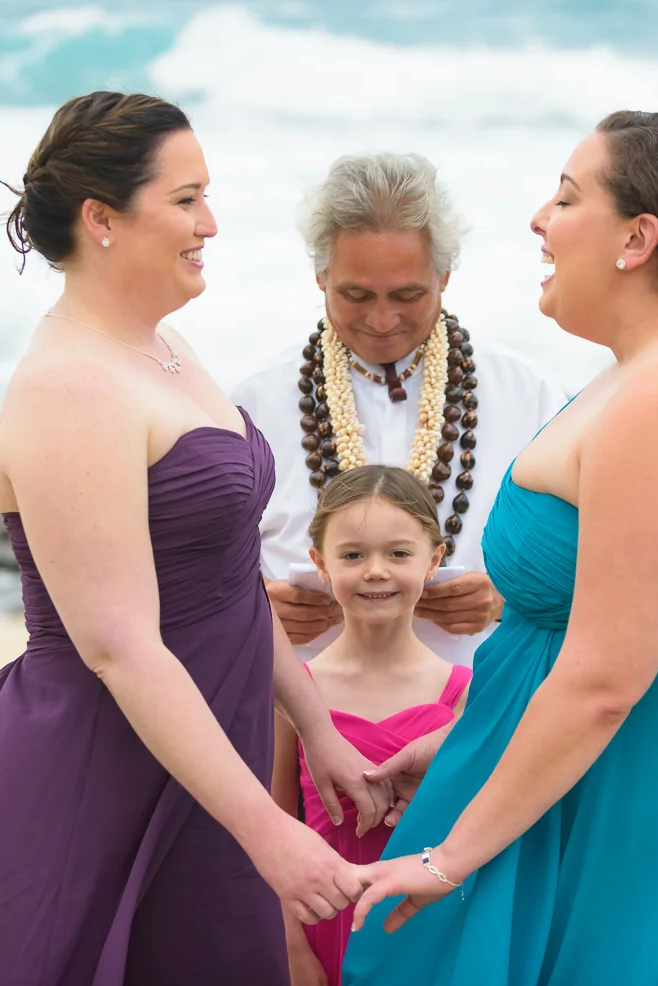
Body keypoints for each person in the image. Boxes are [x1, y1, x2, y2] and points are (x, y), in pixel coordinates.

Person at [0, 92, 390, 986]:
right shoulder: (73, 388)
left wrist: (315, 725)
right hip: (99, 774)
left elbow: (227, 579)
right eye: (186, 199)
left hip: (205, 761)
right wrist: (265, 830)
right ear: (101, 218)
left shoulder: (164, 347)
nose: (210, 223)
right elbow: (120, 646)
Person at [342, 111, 658, 986]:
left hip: (645, 800)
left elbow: (605, 679)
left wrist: (451, 859)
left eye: (566, 197)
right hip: (620, 773)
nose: (539, 220)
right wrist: (466, 740)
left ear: (639, 238)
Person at [232, 153, 567, 667]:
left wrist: (504, 600)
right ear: (321, 277)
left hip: (474, 700)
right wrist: (253, 606)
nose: (382, 319)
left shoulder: (524, 391)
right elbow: (197, 568)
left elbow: (578, 560)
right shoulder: (253, 402)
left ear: (445, 276)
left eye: (408, 294)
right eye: (356, 295)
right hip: (298, 706)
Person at [270, 466, 472, 986]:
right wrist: (290, 945)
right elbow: (271, 824)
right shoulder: (294, 690)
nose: (375, 571)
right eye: (353, 555)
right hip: (324, 921)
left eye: (399, 554)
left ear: (433, 561)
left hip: (432, 920)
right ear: (320, 563)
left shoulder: (466, 694)